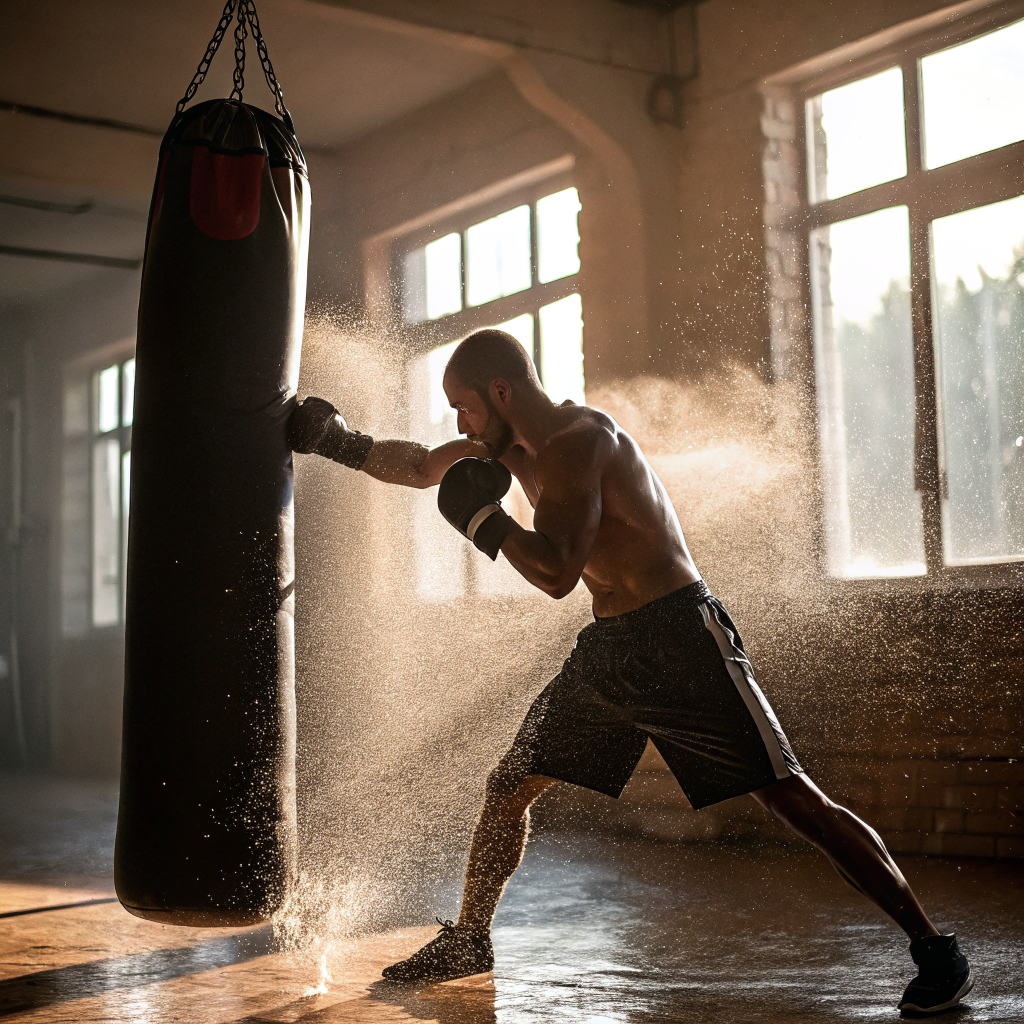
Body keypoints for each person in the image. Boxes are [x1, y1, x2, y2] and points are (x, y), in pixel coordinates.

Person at [288, 329, 972, 1017]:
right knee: (510, 783)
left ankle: (935, 949)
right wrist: (338, 442)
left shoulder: (581, 442)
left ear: (502, 391)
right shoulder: (506, 446)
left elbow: (557, 572)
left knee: (793, 801)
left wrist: (484, 522)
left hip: (680, 638)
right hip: (610, 648)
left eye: (465, 408)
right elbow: (419, 466)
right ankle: (470, 939)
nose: (462, 426)